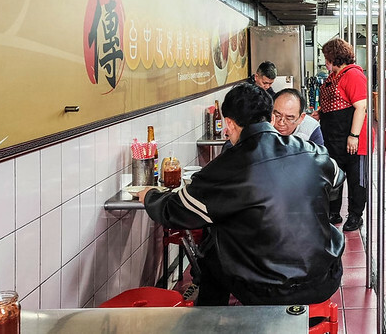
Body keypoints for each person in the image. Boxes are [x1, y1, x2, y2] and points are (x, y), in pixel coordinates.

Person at [140, 83, 344, 306]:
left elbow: (176, 211)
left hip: (270, 292)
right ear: (270, 117)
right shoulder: (312, 151)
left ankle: (209, 319)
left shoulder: (226, 167)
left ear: (229, 123)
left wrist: (150, 196)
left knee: (212, 250)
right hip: (325, 277)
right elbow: (336, 180)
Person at [314, 38, 370, 231]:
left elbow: (361, 106)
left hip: (353, 139)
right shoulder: (334, 77)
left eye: (326, 57)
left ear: (334, 56)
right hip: (333, 138)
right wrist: (320, 112)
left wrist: (353, 136)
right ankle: (334, 212)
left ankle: (355, 215)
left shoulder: (353, 74)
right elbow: (336, 102)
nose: (325, 62)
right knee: (334, 176)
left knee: (356, 180)